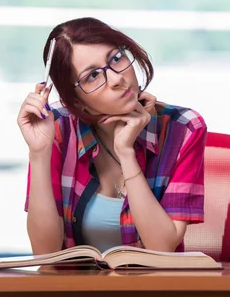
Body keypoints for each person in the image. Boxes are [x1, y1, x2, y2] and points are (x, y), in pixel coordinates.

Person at [16, 17, 207, 255]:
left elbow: (162, 248)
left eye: (117, 58)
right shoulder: (57, 128)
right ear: (76, 101)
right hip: (75, 290)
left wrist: (126, 153)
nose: (117, 79)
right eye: (92, 76)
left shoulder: (183, 128)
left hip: (152, 289)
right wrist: (39, 152)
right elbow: (45, 254)